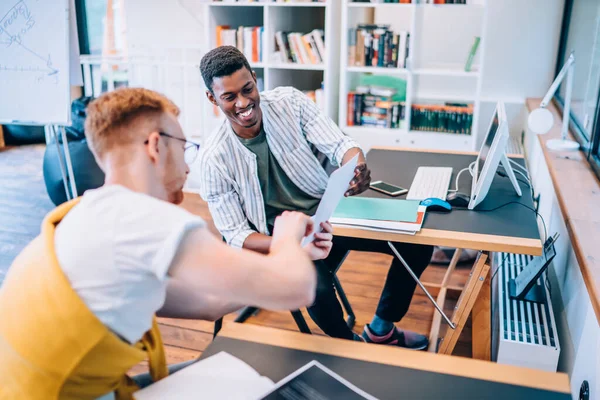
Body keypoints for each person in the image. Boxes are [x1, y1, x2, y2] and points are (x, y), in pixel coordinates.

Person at [0, 88, 331, 400]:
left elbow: (210, 302)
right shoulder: (136, 217)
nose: (188, 166)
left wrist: (295, 254)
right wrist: (288, 233)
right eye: (184, 147)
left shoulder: (86, 215)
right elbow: (296, 290)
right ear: (155, 146)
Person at [198, 46, 434, 349]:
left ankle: (381, 329)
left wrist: (356, 165)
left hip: (328, 215)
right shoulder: (214, 158)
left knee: (416, 241)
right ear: (212, 98)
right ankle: (352, 348)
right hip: (279, 240)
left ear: (255, 79)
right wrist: (287, 242)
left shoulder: (290, 103)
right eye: (229, 97)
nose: (244, 103)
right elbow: (236, 234)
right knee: (314, 288)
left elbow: (340, 145)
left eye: (248, 89)